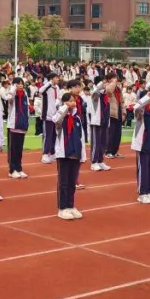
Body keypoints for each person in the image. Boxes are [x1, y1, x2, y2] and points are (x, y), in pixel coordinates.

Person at [52, 91, 85, 219]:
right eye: (70, 100)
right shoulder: (61, 119)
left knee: (72, 182)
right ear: (64, 102)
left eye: (74, 100)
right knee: (63, 182)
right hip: (63, 154)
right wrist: (65, 107)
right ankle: (62, 207)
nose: (73, 102)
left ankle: (71, 205)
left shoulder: (77, 118)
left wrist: (82, 155)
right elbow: (55, 120)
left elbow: (81, 138)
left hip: (75, 154)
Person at [132, 83, 150, 204]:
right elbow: (136, 108)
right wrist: (145, 98)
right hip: (143, 143)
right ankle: (142, 193)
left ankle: (149, 191)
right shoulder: (141, 111)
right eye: (149, 97)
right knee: (143, 168)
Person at [4, 77, 30, 179]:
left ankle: (19, 168)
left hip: (22, 125)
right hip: (13, 125)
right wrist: (13, 88)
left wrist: (26, 124)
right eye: (18, 84)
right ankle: (12, 169)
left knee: (19, 149)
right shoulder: (12, 95)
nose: (20, 85)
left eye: (21, 84)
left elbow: (26, 109)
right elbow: (8, 98)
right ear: (14, 85)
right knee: (13, 149)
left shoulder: (25, 95)